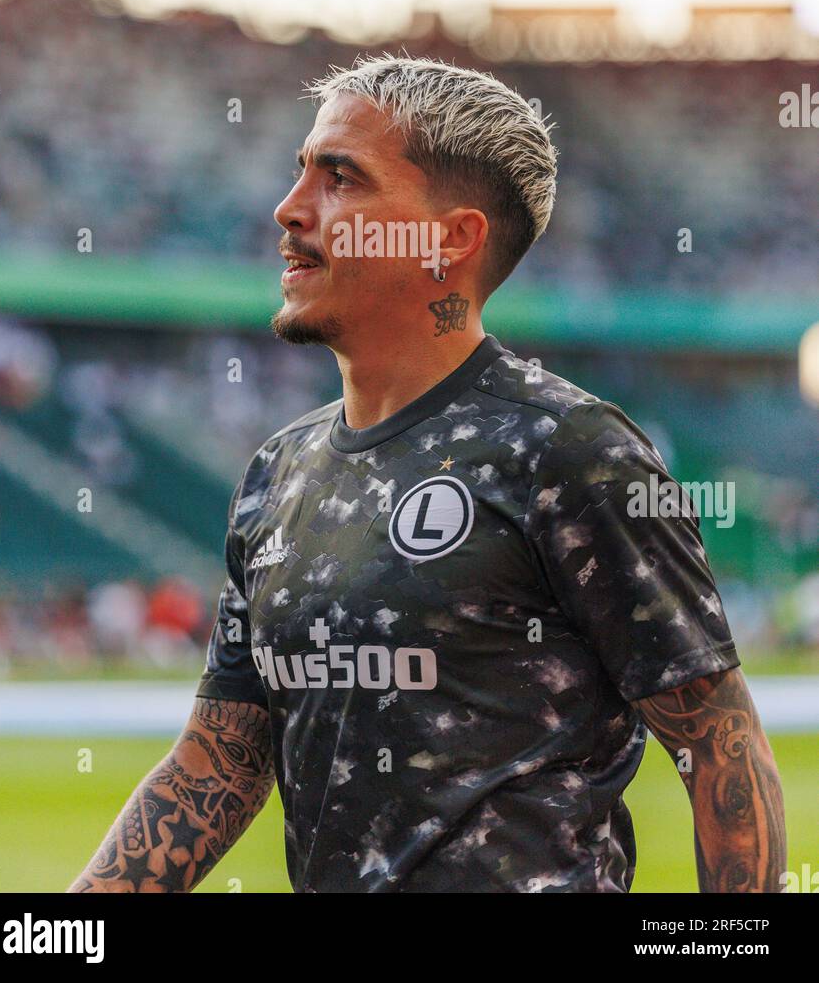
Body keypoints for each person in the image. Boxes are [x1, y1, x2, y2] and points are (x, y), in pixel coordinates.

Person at [70, 53, 785, 893]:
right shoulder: (277, 473)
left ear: (451, 238)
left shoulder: (570, 451)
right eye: (301, 171)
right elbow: (217, 768)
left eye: (340, 178)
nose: (290, 208)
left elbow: (718, 744)